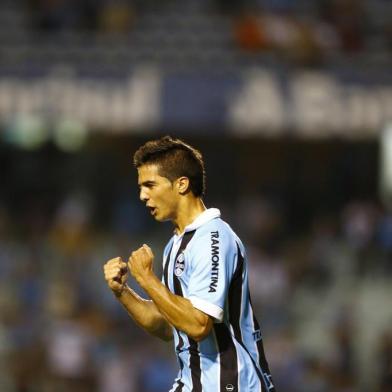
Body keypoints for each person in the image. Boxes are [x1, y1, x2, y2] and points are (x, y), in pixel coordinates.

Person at [103, 136, 275, 391]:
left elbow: (198, 324)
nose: (142, 195)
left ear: (181, 184)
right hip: (193, 382)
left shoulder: (213, 238)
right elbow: (167, 326)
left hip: (231, 384)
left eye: (150, 185)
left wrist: (148, 280)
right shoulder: (176, 244)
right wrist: (123, 292)